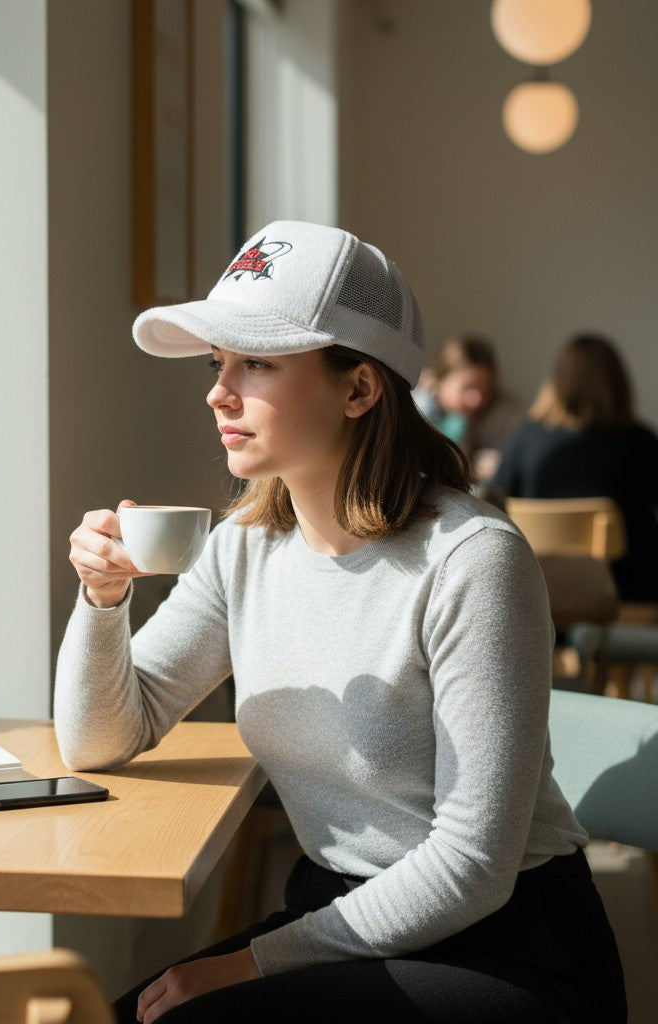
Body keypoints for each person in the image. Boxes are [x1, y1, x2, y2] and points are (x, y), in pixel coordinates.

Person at [55, 221, 626, 1024]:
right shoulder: (243, 548)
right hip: (344, 915)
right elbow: (100, 739)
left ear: (359, 389)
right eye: (219, 363)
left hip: (506, 944)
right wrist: (102, 599)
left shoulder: (472, 561)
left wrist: (252, 964)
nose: (217, 392)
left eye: (256, 363)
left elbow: (472, 866)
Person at [490, 332, 658, 603]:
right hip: (626, 589)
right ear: (618, 383)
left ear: (557, 381)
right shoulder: (640, 442)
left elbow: (494, 496)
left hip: (539, 589)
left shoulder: (528, 436)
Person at [413, 334, 524, 482]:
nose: (477, 400)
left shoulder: (499, 411)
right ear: (441, 379)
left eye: (485, 390)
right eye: (468, 388)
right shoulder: (418, 409)